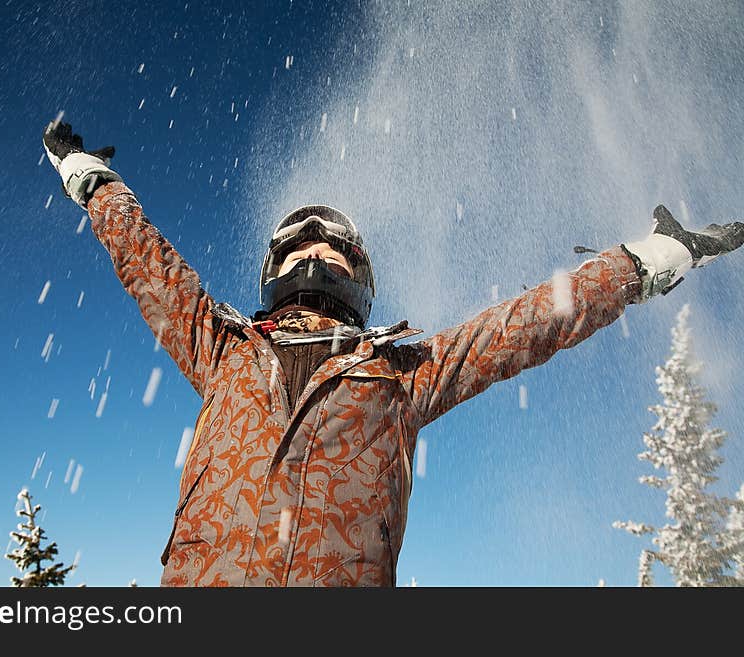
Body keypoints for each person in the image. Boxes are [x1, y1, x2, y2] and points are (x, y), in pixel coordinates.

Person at [43, 119, 744, 587]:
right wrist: (93, 181)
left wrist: (643, 261)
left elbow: (524, 324)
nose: (317, 259)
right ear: (275, 268)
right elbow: (148, 263)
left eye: (333, 253)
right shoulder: (220, 347)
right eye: (302, 249)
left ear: (359, 280)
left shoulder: (402, 374)